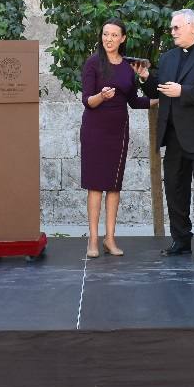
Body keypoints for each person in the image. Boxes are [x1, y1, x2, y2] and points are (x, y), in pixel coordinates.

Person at [140, 9, 194, 262]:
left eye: (176, 27)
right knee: (175, 190)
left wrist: (184, 91)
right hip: (174, 135)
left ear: (192, 26)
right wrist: (146, 78)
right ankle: (181, 240)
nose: (172, 32)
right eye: (171, 28)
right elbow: (159, 90)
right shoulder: (167, 58)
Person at [79, 19, 152, 259]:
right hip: (95, 131)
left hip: (118, 133)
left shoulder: (128, 67)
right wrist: (101, 96)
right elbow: (87, 101)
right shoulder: (93, 63)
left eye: (114, 35)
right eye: (105, 34)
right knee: (95, 185)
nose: (108, 39)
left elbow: (134, 101)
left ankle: (110, 239)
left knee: (113, 185)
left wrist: (161, 100)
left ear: (123, 39)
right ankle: (93, 240)